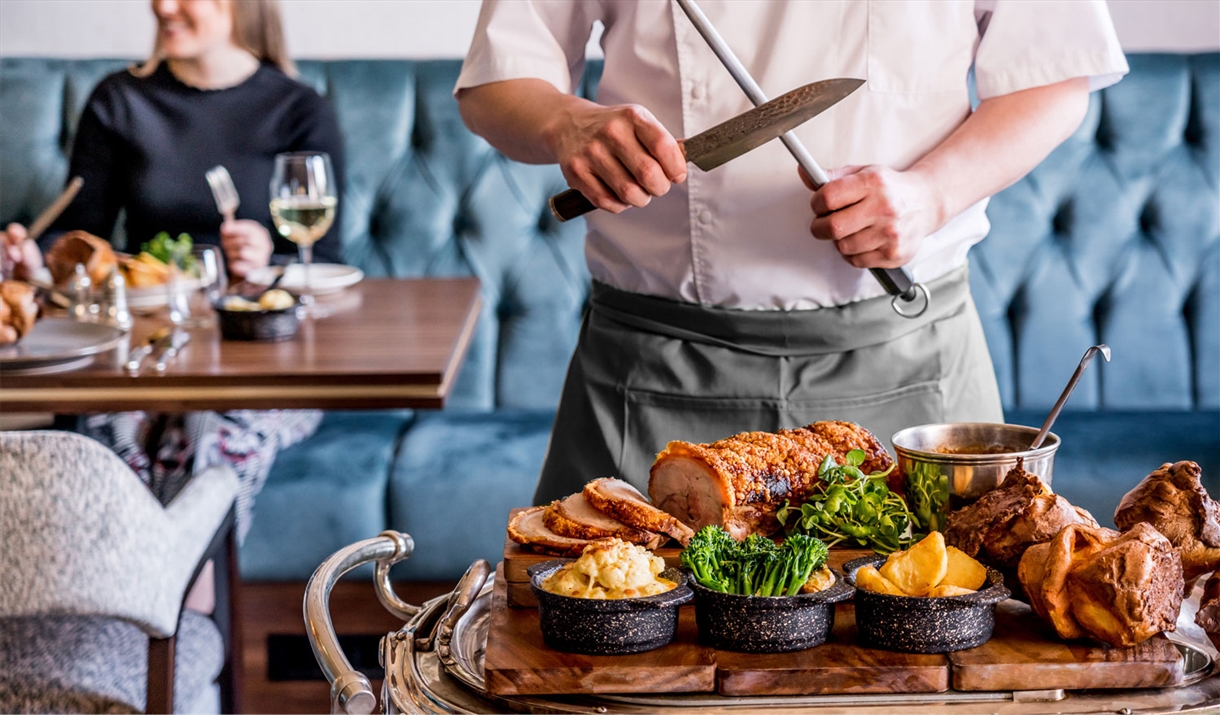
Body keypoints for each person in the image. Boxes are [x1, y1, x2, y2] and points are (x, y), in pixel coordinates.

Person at [455, 0, 1129, 506]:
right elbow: (498, 78)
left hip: (909, 371)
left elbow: (1056, 75)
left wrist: (932, 194)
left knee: (932, 677)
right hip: (654, 375)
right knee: (597, 666)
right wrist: (567, 123)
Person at [1, 0, 344, 539]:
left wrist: (269, 259)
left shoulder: (298, 108)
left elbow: (322, 262)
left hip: (260, 357)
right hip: (149, 352)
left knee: (211, 435)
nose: (163, 6)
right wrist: (31, 259)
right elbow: (74, 236)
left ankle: (186, 617)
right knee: (108, 437)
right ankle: (142, 617)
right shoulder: (120, 100)